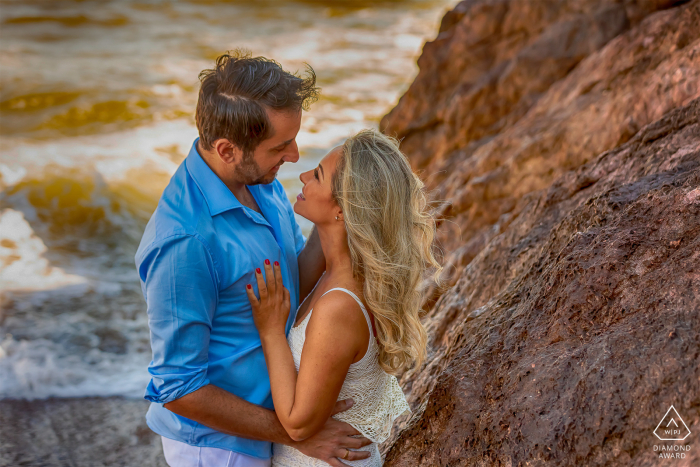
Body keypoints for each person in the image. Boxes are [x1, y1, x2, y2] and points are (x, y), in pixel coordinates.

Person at [135, 51, 374, 467]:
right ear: (228, 149)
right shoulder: (183, 241)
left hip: (281, 417)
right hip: (219, 450)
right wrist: (299, 434)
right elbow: (177, 388)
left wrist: (339, 216)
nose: (296, 155)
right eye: (281, 145)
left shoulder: (257, 178)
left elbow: (284, 288)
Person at [245, 130, 443, 466]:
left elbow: (296, 422)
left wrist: (270, 330)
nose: (304, 175)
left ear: (343, 209)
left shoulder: (339, 305)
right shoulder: (342, 275)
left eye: (318, 174)